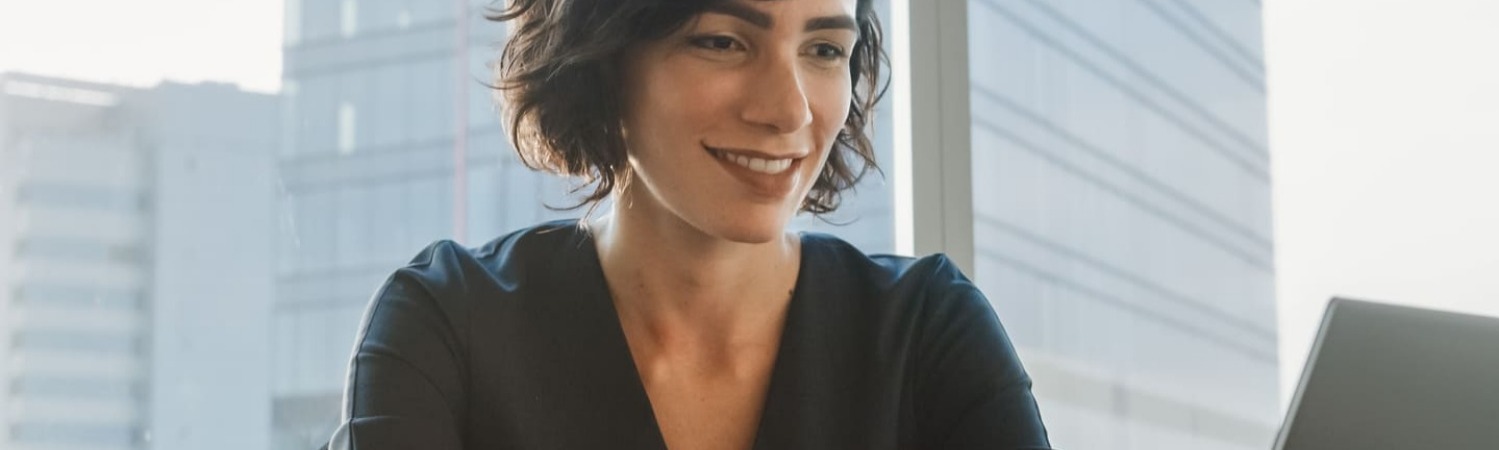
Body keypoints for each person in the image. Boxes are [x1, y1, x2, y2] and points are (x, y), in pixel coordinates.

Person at [324, 0, 1051, 448]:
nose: (790, 111)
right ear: (605, 55)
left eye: (824, 49)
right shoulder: (447, 327)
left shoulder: (928, 333)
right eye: (723, 41)